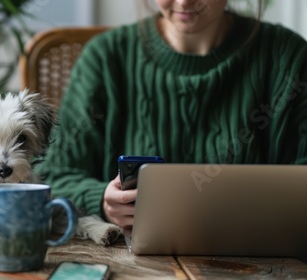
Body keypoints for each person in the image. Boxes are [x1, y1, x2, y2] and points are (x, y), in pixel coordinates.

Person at [36, 0, 307, 229]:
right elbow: (53, 177)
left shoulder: (289, 59)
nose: (184, 1)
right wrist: (102, 202)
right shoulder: (105, 59)